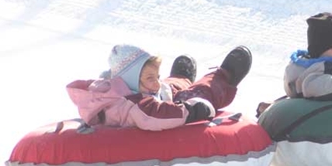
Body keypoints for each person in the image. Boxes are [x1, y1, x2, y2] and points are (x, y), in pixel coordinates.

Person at [67, 44, 252, 131]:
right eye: (149, 77)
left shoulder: (112, 90)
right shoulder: (133, 103)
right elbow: (156, 115)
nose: (155, 81)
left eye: (156, 75)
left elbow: (154, 88)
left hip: (158, 95)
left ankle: (180, 78)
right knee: (198, 95)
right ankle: (223, 77)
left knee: (166, 86)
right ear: (130, 79)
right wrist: (190, 111)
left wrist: (154, 81)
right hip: (170, 105)